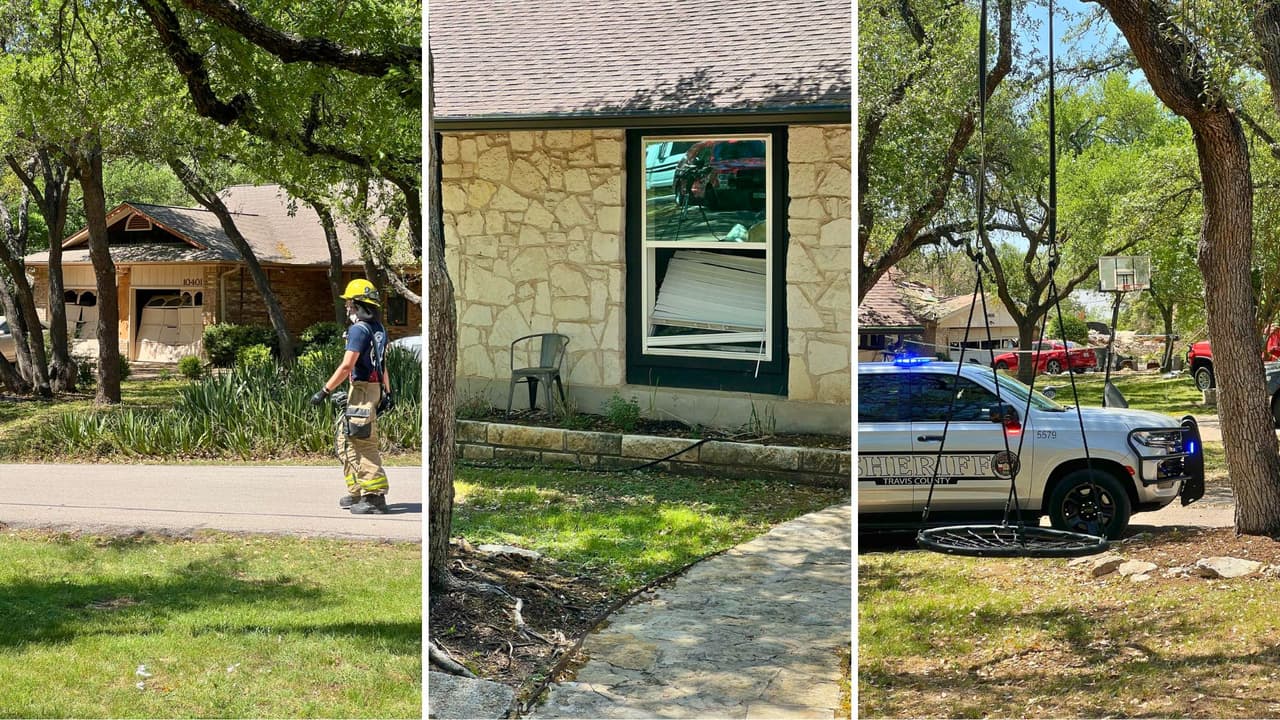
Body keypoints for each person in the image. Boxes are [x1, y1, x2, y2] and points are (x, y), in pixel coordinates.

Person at [310, 278, 395, 515]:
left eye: (349, 304)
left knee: (362, 442)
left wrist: (324, 391)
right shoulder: (378, 329)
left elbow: (347, 366)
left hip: (362, 389)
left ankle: (375, 497)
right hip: (370, 388)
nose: (347, 308)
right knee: (345, 440)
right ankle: (358, 491)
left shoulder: (359, 329)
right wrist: (387, 392)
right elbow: (383, 365)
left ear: (358, 305)